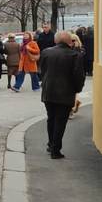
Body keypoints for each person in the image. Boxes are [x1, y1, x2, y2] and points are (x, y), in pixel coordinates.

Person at [38, 31, 85, 159]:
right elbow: (78, 76)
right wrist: (77, 89)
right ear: (70, 42)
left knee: (51, 118)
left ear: (56, 41)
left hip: (48, 91)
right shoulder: (76, 55)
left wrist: (45, 83)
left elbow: (41, 71)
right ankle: (55, 150)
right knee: (60, 121)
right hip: (65, 92)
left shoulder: (46, 52)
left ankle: (50, 144)